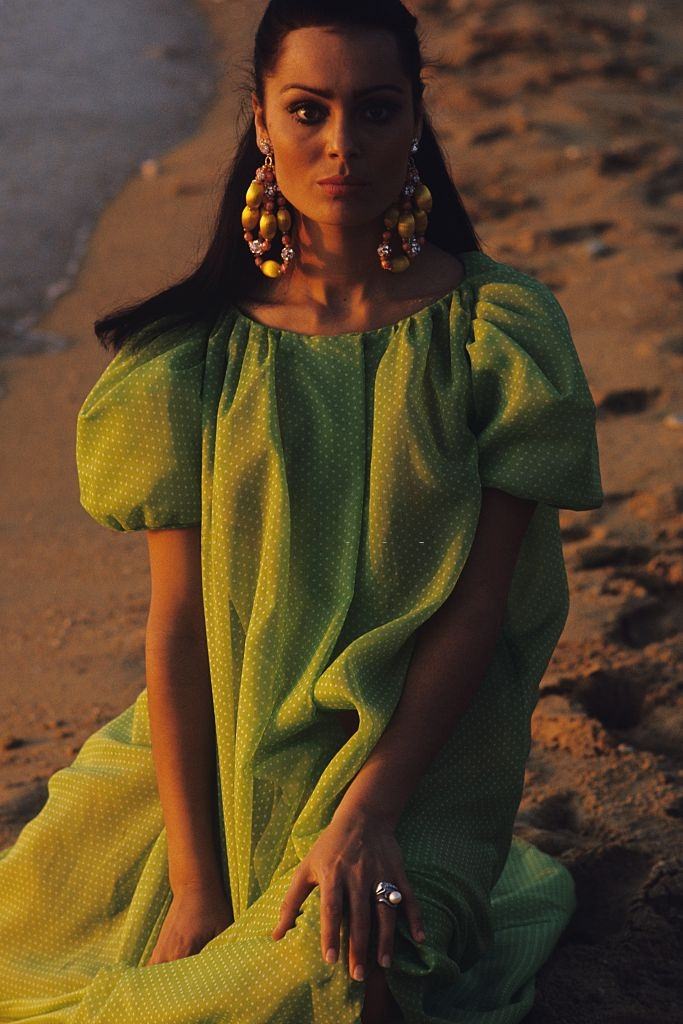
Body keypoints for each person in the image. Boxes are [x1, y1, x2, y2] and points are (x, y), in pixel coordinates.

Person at [0, 1, 604, 1022]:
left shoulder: (494, 334)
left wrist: (368, 812)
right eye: (307, 110)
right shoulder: (188, 355)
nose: (340, 146)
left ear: (415, 115)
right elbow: (181, 626)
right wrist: (197, 886)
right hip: (211, 775)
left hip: (413, 788)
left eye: (373, 111)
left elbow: (478, 614)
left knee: (349, 963)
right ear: (260, 117)